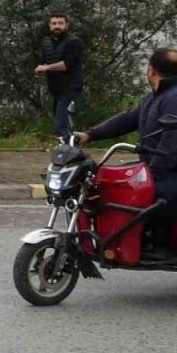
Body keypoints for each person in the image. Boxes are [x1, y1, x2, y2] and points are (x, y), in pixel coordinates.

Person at [75, 47, 177, 251]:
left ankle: (153, 242)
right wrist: (90, 135)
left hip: (170, 171)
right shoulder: (157, 96)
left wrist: (152, 174)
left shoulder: (173, 98)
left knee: (145, 195)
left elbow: (171, 141)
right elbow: (128, 118)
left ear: (151, 70)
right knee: (109, 184)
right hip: (156, 167)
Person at [37, 13, 85, 138]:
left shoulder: (74, 42)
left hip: (71, 89)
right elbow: (42, 60)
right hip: (55, 89)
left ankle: (67, 154)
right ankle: (67, 151)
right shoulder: (46, 42)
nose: (57, 26)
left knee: (62, 127)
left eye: (60, 23)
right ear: (49, 25)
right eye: (54, 23)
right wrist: (40, 67)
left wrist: (46, 68)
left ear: (66, 25)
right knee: (60, 126)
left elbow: (66, 64)